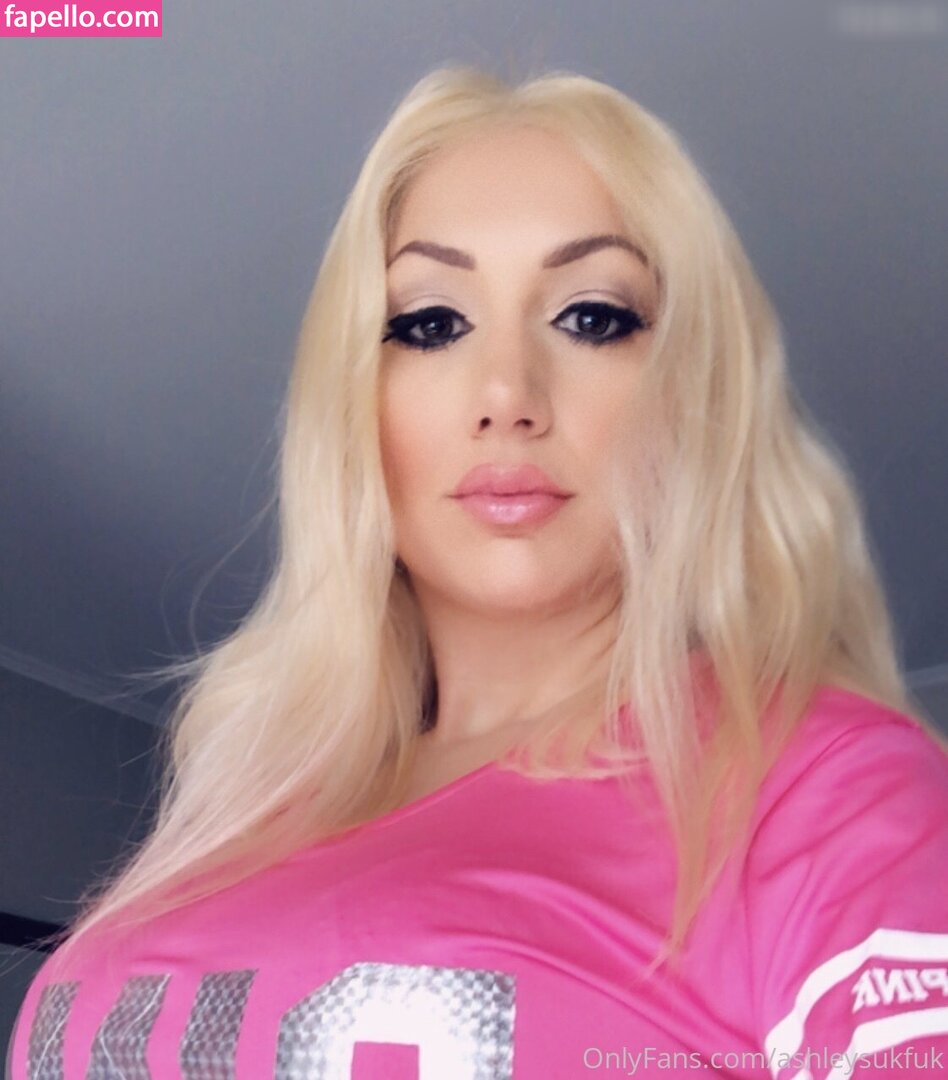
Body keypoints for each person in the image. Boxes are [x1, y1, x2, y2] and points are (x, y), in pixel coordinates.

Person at [7, 64, 948, 1079]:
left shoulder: (830, 790)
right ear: (355, 397)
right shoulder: (234, 809)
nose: (507, 394)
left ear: (695, 393)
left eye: (592, 316)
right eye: (430, 325)